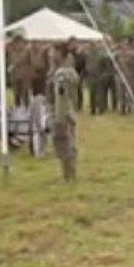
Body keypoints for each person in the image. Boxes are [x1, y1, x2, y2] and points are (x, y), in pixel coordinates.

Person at [48, 48, 81, 182]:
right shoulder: (68, 72)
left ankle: (68, 175)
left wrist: (61, 115)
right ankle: (69, 175)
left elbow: (62, 95)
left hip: (63, 113)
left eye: (54, 52)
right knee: (67, 143)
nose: (51, 55)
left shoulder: (62, 74)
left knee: (64, 144)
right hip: (67, 111)